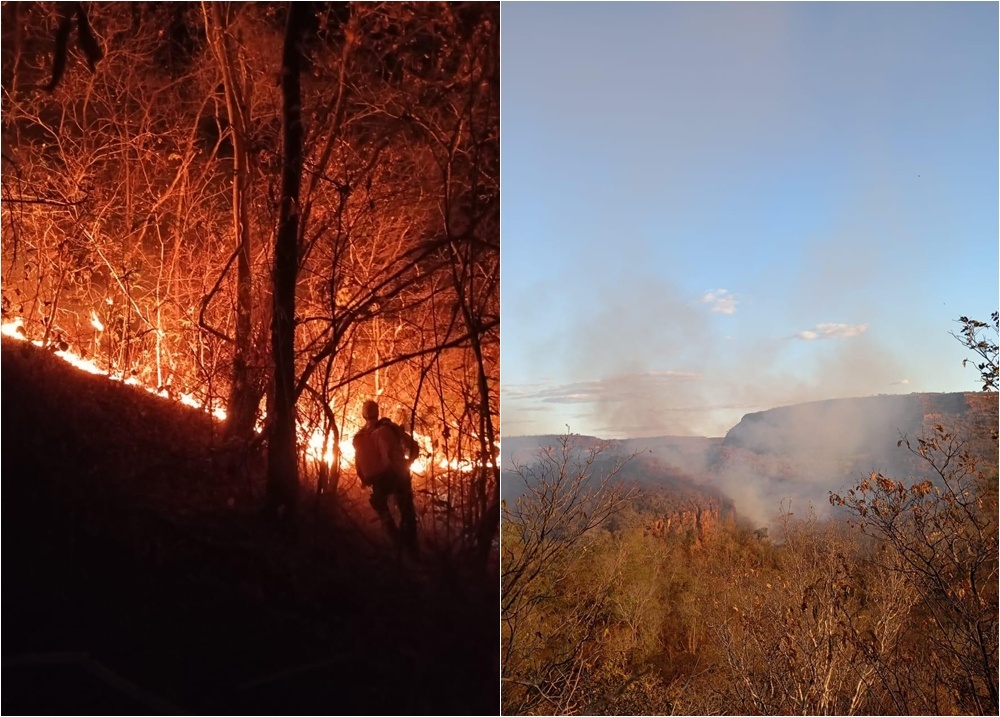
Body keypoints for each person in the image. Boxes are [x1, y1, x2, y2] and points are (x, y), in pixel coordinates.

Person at [352, 399, 420, 555]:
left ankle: (397, 547)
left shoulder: (361, 436)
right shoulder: (389, 427)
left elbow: (359, 464)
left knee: (384, 514)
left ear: (363, 415)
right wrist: (408, 462)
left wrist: (365, 480)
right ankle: (412, 551)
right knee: (407, 513)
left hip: (379, 481)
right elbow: (414, 446)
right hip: (399, 476)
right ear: (378, 411)